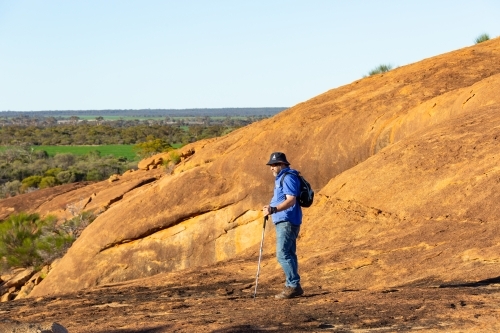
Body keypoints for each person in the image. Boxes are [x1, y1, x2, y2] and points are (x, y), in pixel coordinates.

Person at [263, 152, 304, 299]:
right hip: (285, 220)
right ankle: (292, 285)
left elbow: (291, 200)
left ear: (282, 164)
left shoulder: (288, 177)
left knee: (282, 254)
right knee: (289, 253)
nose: (271, 168)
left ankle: (293, 285)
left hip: (287, 220)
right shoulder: (283, 177)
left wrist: (274, 209)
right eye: (271, 165)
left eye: (274, 165)